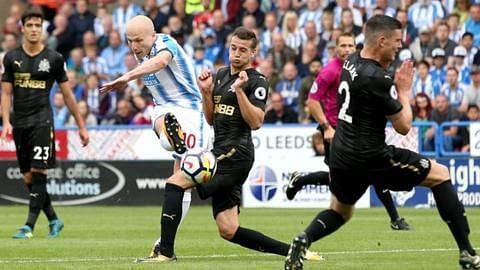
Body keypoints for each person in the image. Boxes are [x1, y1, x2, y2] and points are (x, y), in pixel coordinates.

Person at [284, 15, 480, 270]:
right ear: (381, 40)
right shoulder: (377, 78)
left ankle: (304, 238)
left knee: (341, 211)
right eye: (397, 41)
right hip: (371, 155)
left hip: (342, 153)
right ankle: (467, 253)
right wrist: (406, 90)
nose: (400, 45)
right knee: (440, 174)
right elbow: (403, 125)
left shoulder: (351, 61)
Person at [99, 15, 210, 261]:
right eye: (129, 41)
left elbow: (161, 62)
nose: (134, 46)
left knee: (183, 180)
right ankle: (170, 138)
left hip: (190, 111)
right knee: (161, 125)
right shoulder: (141, 54)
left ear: (152, 35)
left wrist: (127, 77)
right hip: (164, 109)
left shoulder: (165, 43)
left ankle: (164, 243)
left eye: (138, 40)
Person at [286, 32, 411, 231]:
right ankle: (395, 218)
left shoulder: (356, 66)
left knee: (363, 172)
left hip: (355, 130)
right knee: (350, 176)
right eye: (342, 46)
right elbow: (312, 100)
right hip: (336, 130)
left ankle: (302, 179)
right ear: (335, 48)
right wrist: (326, 127)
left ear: (356, 48)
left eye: (350, 46)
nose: (347, 50)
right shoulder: (330, 71)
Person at [1, 8, 89, 239]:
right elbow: (6, 94)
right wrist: (6, 122)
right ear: (22, 28)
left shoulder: (54, 58)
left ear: (42, 29)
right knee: (29, 177)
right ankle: (54, 219)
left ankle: (28, 226)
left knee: (39, 172)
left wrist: (81, 125)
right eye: (29, 25)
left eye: (37, 26)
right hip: (19, 123)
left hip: (42, 121)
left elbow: (68, 95)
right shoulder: (11, 58)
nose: (33, 29)